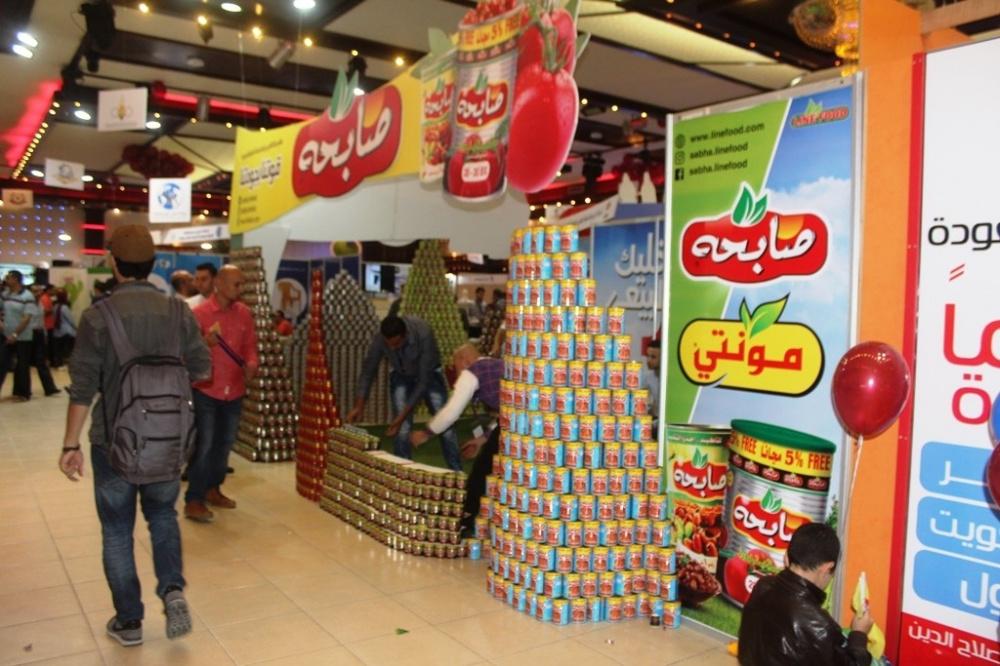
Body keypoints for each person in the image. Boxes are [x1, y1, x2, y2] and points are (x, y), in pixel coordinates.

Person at [58, 224, 211, 647]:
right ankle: (172, 589)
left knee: (116, 531)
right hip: (167, 440)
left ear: (114, 264)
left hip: (114, 443)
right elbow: (202, 369)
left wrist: (70, 444)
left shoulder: (98, 317)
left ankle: (129, 622)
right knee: (162, 516)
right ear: (153, 264)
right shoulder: (179, 312)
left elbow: (82, 388)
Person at [738, 522, 873, 666]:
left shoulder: (763, 586)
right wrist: (859, 634)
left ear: (787, 557)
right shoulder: (821, 628)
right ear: (827, 568)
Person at [184, 264, 258, 523]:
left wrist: (252, 364)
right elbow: (187, 353)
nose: (241, 288)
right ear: (220, 284)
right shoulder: (199, 314)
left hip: (235, 390)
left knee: (224, 444)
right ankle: (194, 498)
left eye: (242, 283)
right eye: (237, 284)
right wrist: (205, 344)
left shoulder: (244, 314)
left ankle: (213, 488)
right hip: (207, 389)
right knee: (204, 445)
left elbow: (250, 347)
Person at [347, 315, 461, 471]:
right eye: (389, 345)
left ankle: (457, 472)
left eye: (396, 344)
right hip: (401, 374)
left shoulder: (423, 332)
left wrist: (400, 418)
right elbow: (368, 370)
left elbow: (422, 383)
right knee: (402, 429)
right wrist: (358, 406)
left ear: (405, 334)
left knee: (445, 422)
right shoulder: (381, 338)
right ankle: (402, 472)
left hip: (429, 374)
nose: (392, 348)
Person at [410, 343, 502, 535]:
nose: (456, 373)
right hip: (521, 421)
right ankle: (485, 515)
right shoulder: (494, 365)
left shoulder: (473, 371)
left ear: (464, 360)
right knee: (490, 466)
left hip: (519, 422)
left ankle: (468, 517)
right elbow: (506, 413)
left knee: (482, 469)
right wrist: (482, 439)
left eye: (455, 365)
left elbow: (451, 412)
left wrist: (426, 433)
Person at [1, 270, 38, 401]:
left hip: (23, 336)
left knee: (22, 365)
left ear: (16, 279)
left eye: (8, 278)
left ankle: (22, 392)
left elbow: (26, 318)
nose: (6, 280)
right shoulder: (5, 294)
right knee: (2, 362)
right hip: (5, 335)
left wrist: (15, 334)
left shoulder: (27, 296)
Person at [28, 284, 60, 396]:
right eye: (35, 291)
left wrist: (45, 334)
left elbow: (41, 320)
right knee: (25, 363)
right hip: (29, 334)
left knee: (41, 361)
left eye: (39, 291)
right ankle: (24, 390)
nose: (37, 293)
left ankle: (49, 388)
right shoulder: (27, 304)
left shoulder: (41, 303)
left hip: (39, 333)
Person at [51, 288, 76, 368]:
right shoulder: (65, 308)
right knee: (66, 349)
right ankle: (64, 362)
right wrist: (76, 328)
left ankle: (59, 363)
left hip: (57, 331)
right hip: (66, 331)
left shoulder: (55, 307)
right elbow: (71, 320)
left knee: (58, 349)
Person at [644, 338, 661, 429]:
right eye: (648, 356)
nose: (648, 360)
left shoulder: (670, 380)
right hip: (652, 423)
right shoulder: (647, 379)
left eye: (653, 357)